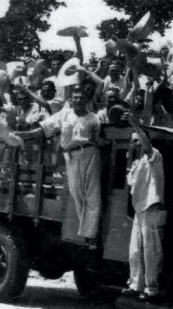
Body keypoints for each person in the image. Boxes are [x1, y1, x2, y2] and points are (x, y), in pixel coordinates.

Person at [40, 89, 102, 245]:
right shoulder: (65, 114)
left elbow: (97, 138)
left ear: (87, 100)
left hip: (89, 153)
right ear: (71, 100)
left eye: (82, 97)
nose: (79, 100)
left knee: (92, 193)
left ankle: (91, 235)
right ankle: (87, 231)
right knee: (77, 193)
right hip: (71, 155)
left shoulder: (93, 118)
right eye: (76, 97)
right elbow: (46, 127)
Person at [122, 114, 166, 304]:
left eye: (138, 141)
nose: (136, 144)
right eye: (133, 142)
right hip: (140, 211)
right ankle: (135, 286)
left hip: (152, 209)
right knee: (135, 251)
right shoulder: (135, 164)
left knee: (151, 251)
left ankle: (152, 289)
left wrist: (135, 125)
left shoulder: (154, 157)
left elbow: (147, 147)